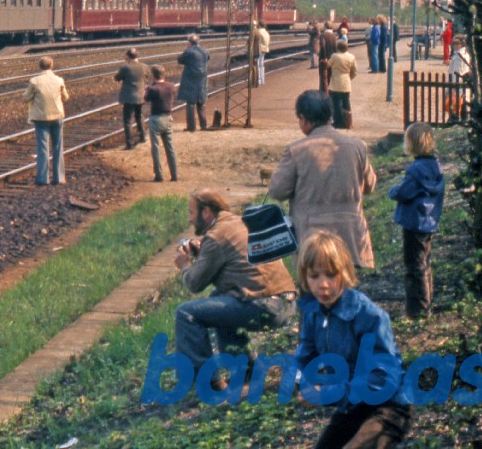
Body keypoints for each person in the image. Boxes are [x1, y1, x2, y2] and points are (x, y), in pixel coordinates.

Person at [294, 230, 413, 447]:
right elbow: (305, 356)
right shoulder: (312, 313)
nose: (323, 285)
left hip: (386, 407)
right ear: (304, 277)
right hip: (351, 406)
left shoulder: (368, 316)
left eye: (331, 274)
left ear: (345, 272)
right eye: (314, 276)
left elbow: (381, 379)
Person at [173, 189, 297, 389]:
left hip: (265, 307)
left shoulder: (215, 237)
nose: (189, 219)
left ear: (206, 213)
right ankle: (247, 372)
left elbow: (195, 284)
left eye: (191, 212)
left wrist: (185, 266)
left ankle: (206, 383)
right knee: (218, 299)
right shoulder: (240, 223)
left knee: (186, 313)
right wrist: (202, 252)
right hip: (286, 302)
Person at [268, 90, 378, 269]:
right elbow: (370, 185)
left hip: (312, 240)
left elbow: (277, 191)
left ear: (303, 119)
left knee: (314, 291)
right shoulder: (358, 147)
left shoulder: (296, 150)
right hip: (351, 238)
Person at [389, 123, 445, 318]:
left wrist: (392, 191)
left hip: (414, 222)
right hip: (429, 220)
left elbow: (404, 192)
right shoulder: (435, 166)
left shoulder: (415, 170)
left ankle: (418, 310)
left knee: (414, 266)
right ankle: (427, 302)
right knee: (425, 263)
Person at [23, 56, 69, 186]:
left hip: (41, 118)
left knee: (42, 148)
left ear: (40, 67)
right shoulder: (59, 80)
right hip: (57, 117)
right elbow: (66, 97)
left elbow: (25, 98)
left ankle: (43, 179)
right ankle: (59, 178)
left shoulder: (34, 81)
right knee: (58, 147)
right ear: (52, 66)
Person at [143, 65, 178, 182]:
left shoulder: (153, 89)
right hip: (168, 118)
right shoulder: (171, 86)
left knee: (156, 148)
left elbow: (146, 98)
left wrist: (147, 88)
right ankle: (174, 174)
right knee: (170, 147)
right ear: (164, 74)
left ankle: (159, 175)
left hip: (156, 119)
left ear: (153, 76)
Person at [113, 48, 149, 149]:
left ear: (127, 57)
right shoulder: (144, 66)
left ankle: (129, 143)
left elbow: (117, 78)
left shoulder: (125, 68)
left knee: (127, 120)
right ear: (137, 56)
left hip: (129, 97)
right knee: (139, 116)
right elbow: (147, 77)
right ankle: (142, 136)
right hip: (141, 96)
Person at [176, 34, 210, 132]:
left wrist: (186, 49)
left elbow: (180, 60)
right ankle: (203, 125)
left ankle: (191, 127)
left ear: (189, 42)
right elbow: (208, 58)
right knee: (201, 102)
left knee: (190, 103)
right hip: (202, 78)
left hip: (190, 78)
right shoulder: (204, 51)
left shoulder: (188, 51)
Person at [327, 38, 357, 129]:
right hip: (346, 82)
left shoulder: (335, 56)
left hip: (336, 82)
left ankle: (338, 122)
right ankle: (348, 122)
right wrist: (349, 78)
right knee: (346, 102)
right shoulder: (351, 57)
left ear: (338, 47)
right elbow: (355, 71)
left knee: (336, 103)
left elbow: (328, 65)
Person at [317, 19, 336, 93]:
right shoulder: (334, 36)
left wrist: (324, 57)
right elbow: (335, 48)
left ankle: (323, 93)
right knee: (330, 76)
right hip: (332, 59)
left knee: (323, 78)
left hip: (323, 59)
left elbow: (323, 46)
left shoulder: (323, 35)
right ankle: (331, 92)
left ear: (325, 26)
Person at [251, 20, 270, 86]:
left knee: (258, 65)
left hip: (259, 50)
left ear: (259, 25)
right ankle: (262, 80)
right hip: (265, 49)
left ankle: (258, 80)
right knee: (261, 65)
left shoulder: (259, 32)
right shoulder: (267, 33)